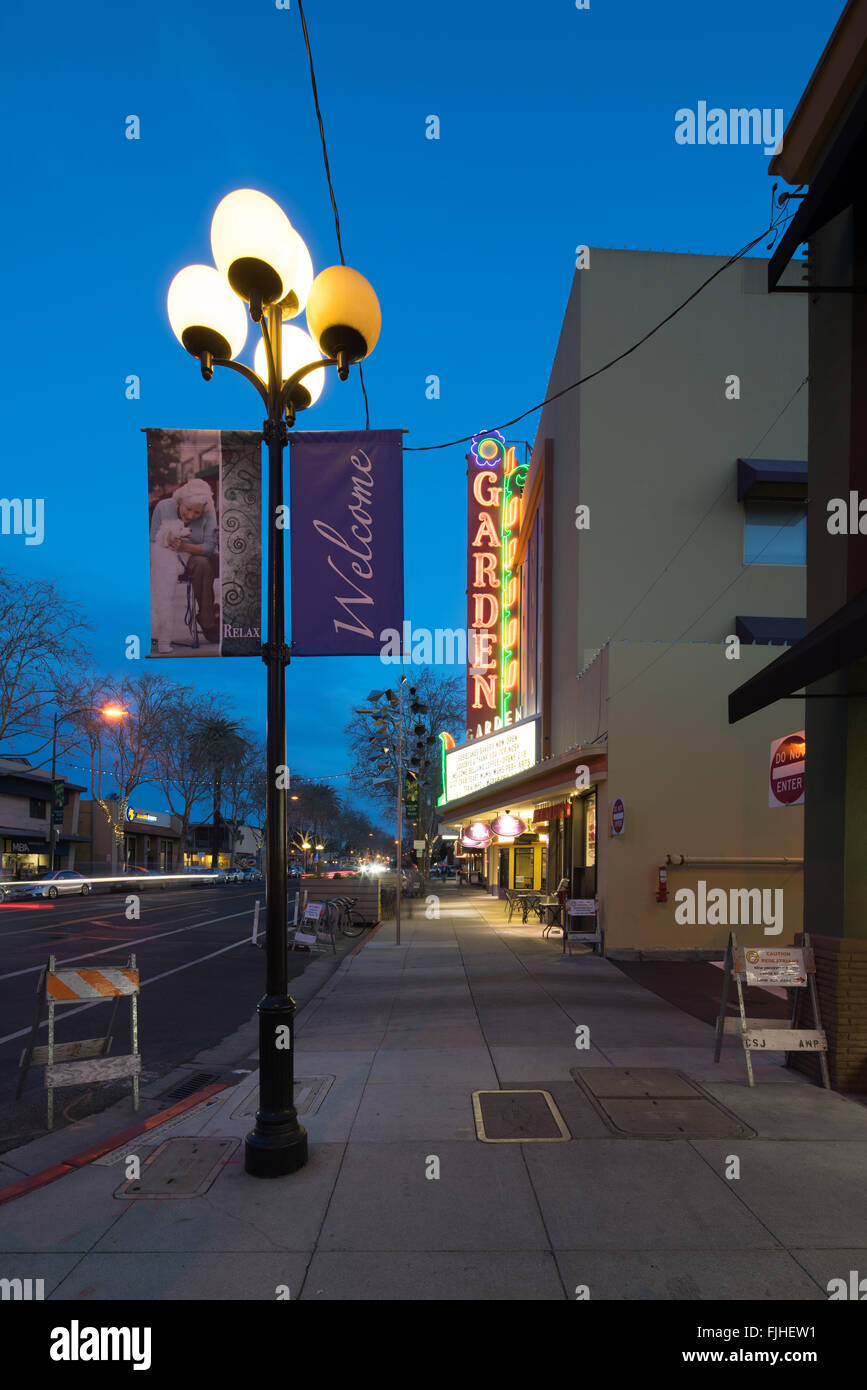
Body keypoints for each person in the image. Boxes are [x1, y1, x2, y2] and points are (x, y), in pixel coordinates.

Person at [149, 478, 219, 647]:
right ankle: (155, 623)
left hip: (199, 559)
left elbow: (210, 547)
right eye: (188, 509)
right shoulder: (163, 507)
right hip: (166, 560)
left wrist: (184, 547)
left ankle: (207, 618)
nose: (190, 516)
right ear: (179, 501)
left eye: (197, 513)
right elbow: (152, 541)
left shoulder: (209, 512)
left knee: (202, 563)